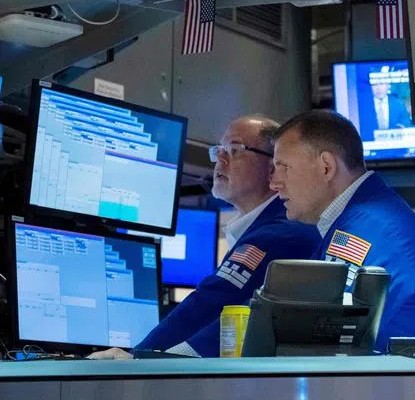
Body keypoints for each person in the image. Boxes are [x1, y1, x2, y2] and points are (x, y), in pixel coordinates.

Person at [90, 115, 320, 359]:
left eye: (234, 150)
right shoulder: (265, 227)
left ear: (272, 167)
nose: (220, 159)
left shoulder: (282, 232)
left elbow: (207, 304)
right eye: (219, 150)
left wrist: (138, 359)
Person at [269, 109, 415, 351]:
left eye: (283, 166)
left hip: (407, 381)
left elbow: (318, 341)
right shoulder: (373, 215)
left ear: (326, 167)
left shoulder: (359, 231)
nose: (274, 182)